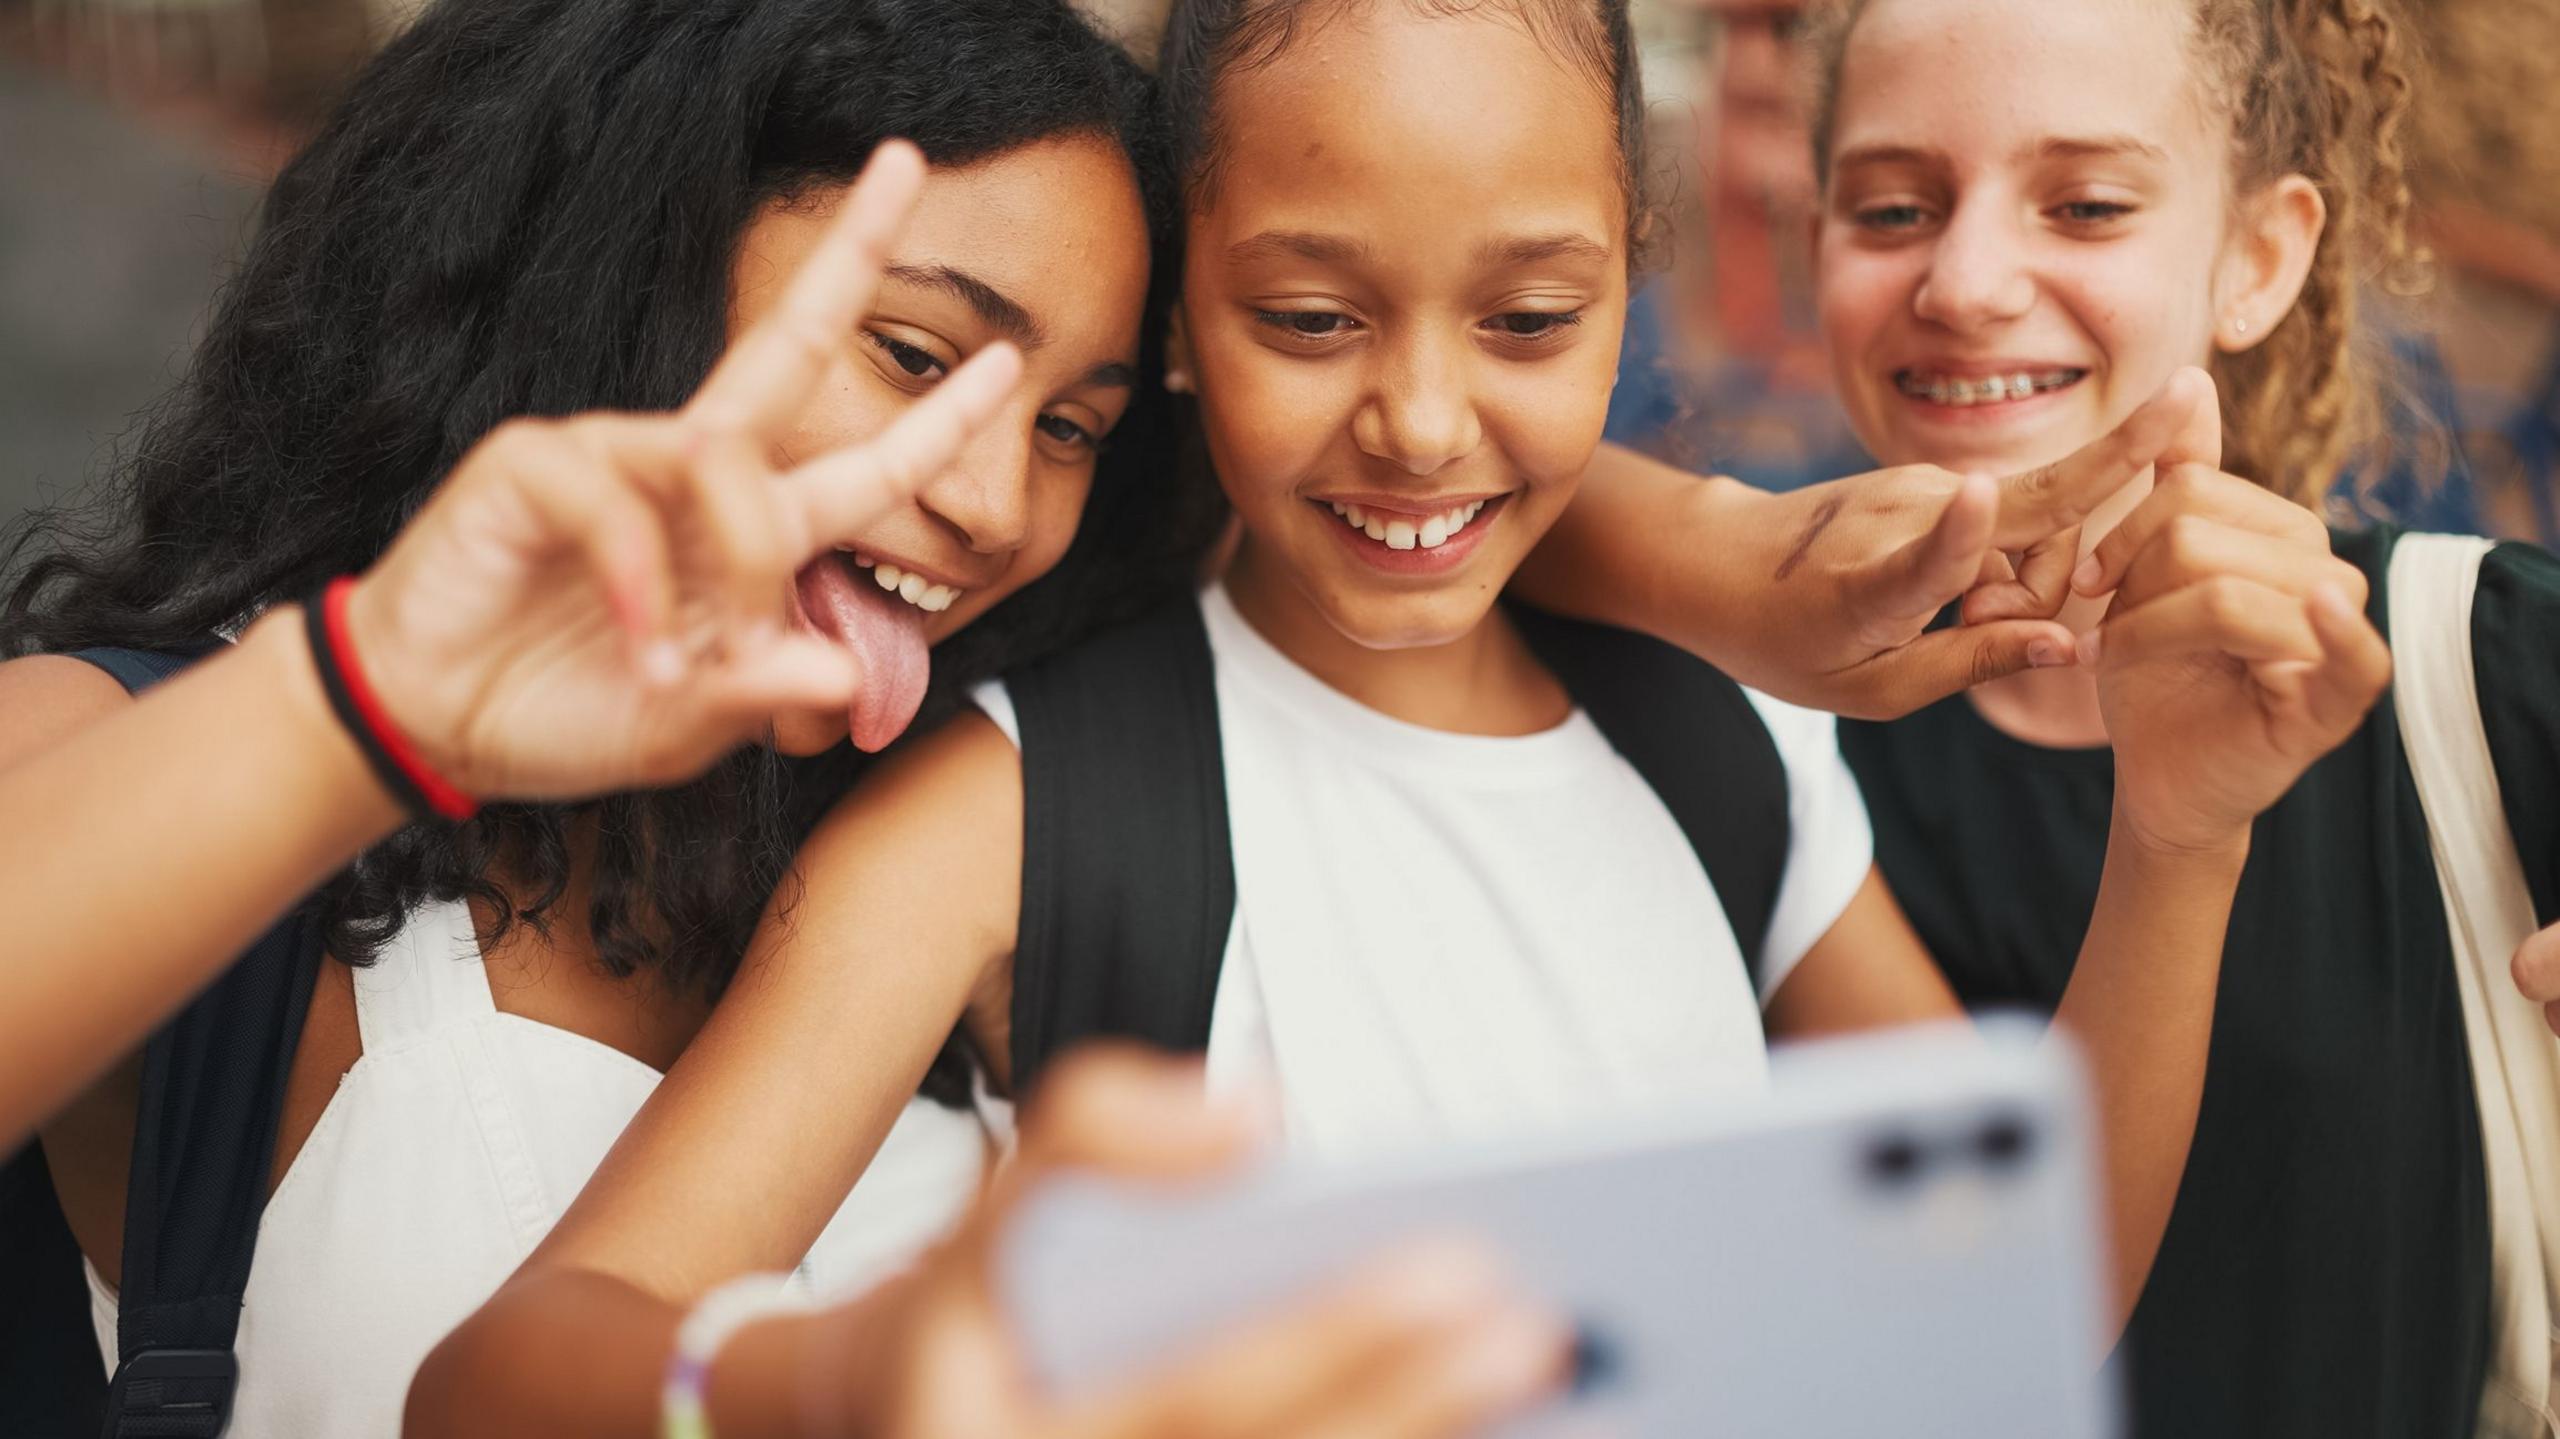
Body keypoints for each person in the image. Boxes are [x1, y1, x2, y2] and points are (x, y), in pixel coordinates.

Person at [414, 2, 2391, 1432]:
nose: (1425, 421)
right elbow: (500, 1378)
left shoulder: (1718, 750)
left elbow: (2007, 1295)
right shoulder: (1021, 809)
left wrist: (2178, 837)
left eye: (1527, 321)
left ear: (1634, 270)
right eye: (1307, 318)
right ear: (1175, 318)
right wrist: (845, 1381)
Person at [1747, 0, 2560, 1433]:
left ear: (2261, 256)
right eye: (1892, 208)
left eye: (2087, 204)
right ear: (1815, 243)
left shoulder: (2483, 664)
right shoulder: (1744, 752)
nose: (1969, 278)